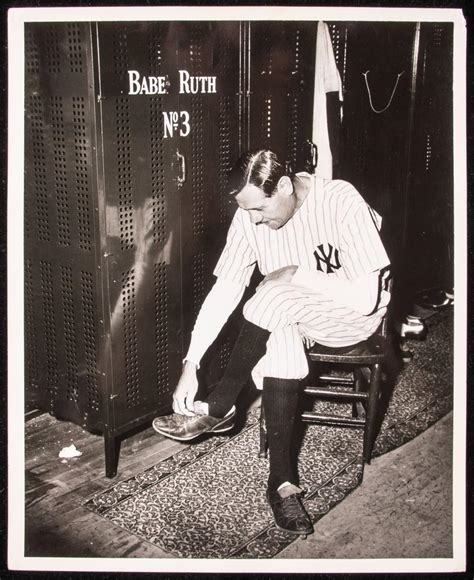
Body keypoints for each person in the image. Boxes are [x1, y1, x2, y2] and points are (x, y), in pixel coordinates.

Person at [153, 148, 390, 536]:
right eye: (246, 211)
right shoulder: (251, 216)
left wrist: (297, 273)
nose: (253, 221)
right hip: (288, 315)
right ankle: (282, 483)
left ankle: (219, 404)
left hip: (351, 318)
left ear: (284, 186)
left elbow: (365, 298)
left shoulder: (340, 199)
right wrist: (191, 363)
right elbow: (226, 289)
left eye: (259, 210)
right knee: (277, 322)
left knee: (273, 296)